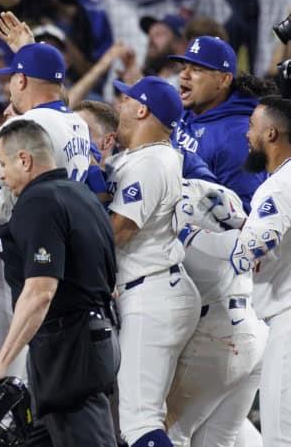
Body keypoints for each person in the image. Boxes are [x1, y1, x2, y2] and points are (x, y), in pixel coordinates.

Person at [0, 41, 91, 384]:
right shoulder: (77, 124)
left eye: (11, 79)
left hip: (15, 260)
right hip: (64, 259)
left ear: (21, 81)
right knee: (37, 372)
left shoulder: (26, 125)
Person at [0, 120, 119, 446]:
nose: (2, 176)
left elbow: (40, 292)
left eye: (4, 164)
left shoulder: (40, 202)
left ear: (25, 160)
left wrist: (0, 366)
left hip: (69, 352)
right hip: (94, 338)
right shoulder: (83, 195)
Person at [105, 76, 201, 447]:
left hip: (151, 293)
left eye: (125, 98)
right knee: (146, 418)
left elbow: (119, 230)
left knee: (139, 422)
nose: (119, 103)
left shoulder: (152, 161)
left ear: (142, 109)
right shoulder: (140, 156)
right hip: (157, 287)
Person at [200, 96, 291, 446]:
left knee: (280, 437)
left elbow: (256, 245)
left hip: (286, 317)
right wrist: (243, 224)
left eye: (252, 126)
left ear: (271, 133)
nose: (246, 134)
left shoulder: (278, 184)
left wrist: (195, 237)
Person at [166, 178, 267, 447]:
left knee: (169, 435)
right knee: (218, 440)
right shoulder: (221, 192)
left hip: (219, 337)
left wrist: (187, 234)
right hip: (254, 329)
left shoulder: (168, 201)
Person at [169, 35, 272, 211]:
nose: (184, 75)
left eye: (196, 69)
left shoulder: (237, 137)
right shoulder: (185, 109)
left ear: (224, 80)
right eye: (184, 67)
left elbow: (244, 212)